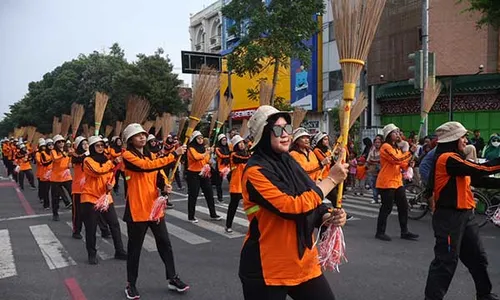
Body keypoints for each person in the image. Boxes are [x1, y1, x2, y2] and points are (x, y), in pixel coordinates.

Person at [239, 105, 348, 300]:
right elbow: (291, 206)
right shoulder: (254, 172)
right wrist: (331, 180)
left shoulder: (289, 162)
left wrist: (328, 216)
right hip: (267, 269)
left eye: (287, 129)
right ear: (264, 134)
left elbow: (312, 197)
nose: (285, 135)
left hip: (303, 262)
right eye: (278, 129)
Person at [424, 121, 500, 300]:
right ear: (454, 140)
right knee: (445, 262)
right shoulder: (448, 159)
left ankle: (484, 294)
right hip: (449, 218)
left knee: (478, 258)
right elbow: (482, 169)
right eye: (463, 137)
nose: (466, 141)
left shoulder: (456, 159)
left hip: (466, 215)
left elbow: (477, 179)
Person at [121, 123, 189, 299]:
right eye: (138, 135)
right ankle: (131, 284)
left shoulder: (151, 155)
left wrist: (164, 185)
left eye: (143, 134)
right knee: (135, 249)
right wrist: (173, 155)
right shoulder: (127, 156)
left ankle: (172, 278)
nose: (142, 137)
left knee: (165, 243)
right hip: (137, 210)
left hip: (154, 208)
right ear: (130, 140)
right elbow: (146, 167)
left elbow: (157, 174)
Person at [81, 136, 127, 265]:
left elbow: (110, 176)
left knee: (114, 224)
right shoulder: (87, 160)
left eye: (102, 145)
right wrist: (112, 163)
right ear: (92, 148)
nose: (100, 148)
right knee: (91, 227)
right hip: (90, 197)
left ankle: (119, 251)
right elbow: (98, 171)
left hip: (106, 197)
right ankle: (92, 254)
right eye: (97, 146)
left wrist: (111, 184)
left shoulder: (107, 160)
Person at [375, 124, 419, 241]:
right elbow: (396, 160)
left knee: (403, 206)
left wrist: (409, 164)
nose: (398, 134)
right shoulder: (385, 147)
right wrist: (409, 152)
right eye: (395, 132)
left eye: (398, 132)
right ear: (389, 135)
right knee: (386, 207)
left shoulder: (396, 148)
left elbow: (401, 164)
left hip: (397, 181)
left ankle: (404, 231)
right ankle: (380, 232)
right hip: (386, 182)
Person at [186, 130, 222, 223]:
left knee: (209, 194)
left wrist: (209, 158)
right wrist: (207, 153)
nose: (201, 140)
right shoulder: (191, 148)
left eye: (201, 138)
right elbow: (196, 157)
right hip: (193, 174)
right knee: (193, 195)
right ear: (194, 139)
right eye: (198, 138)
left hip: (204, 173)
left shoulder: (204, 149)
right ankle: (191, 216)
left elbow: (205, 160)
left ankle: (213, 214)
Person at [225, 135, 250, 233]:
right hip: (236, 185)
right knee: (233, 207)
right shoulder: (233, 155)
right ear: (235, 145)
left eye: (243, 142)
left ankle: (253, 224)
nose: (242, 144)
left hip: (246, 185)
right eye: (239, 143)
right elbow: (244, 159)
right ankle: (228, 225)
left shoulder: (246, 153)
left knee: (252, 206)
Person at [50, 135, 73, 221]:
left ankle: (76, 211)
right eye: (59, 142)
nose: (61, 143)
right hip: (56, 178)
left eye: (62, 141)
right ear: (56, 144)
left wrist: (70, 163)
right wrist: (63, 155)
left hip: (66, 177)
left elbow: (70, 159)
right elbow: (55, 159)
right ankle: (55, 213)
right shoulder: (53, 151)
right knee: (55, 197)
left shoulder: (67, 150)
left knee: (72, 194)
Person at [70, 136, 88, 240]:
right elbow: (78, 159)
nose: (86, 145)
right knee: (78, 212)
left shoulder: (90, 155)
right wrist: (87, 154)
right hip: (78, 189)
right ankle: (76, 231)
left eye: (87, 143)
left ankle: (104, 230)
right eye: (83, 143)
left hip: (89, 188)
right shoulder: (75, 155)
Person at [214, 133, 231, 202]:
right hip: (220, 168)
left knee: (232, 181)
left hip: (228, 167)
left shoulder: (228, 147)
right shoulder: (217, 148)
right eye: (223, 140)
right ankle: (219, 198)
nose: (224, 141)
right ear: (220, 141)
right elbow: (222, 156)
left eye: (225, 140)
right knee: (219, 184)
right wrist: (230, 156)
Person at [39, 139, 54, 210]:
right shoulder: (43, 153)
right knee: (46, 190)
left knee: (57, 190)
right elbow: (44, 163)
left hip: (54, 173)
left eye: (52, 145)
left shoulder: (54, 152)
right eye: (49, 145)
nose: (51, 146)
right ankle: (46, 204)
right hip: (46, 174)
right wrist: (52, 159)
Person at [367, 136, 382, 204]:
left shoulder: (383, 151)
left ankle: (382, 198)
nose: (377, 144)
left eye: (379, 142)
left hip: (381, 172)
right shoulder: (371, 152)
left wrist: (375, 161)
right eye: (376, 142)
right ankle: (375, 198)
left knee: (381, 186)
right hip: (372, 171)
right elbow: (368, 160)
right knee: (373, 185)